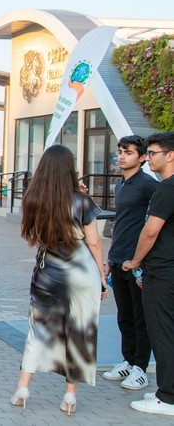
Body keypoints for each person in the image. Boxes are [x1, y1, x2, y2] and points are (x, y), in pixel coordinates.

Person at [11, 144, 105, 415]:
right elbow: (95, 243)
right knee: (80, 332)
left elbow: (32, 236)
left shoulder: (33, 198)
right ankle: (70, 396)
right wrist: (101, 277)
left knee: (38, 329)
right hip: (81, 271)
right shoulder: (82, 202)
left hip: (48, 270)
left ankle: (22, 388)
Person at [122, 131, 174, 417]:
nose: (148, 158)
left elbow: (151, 230)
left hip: (163, 272)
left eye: (153, 153)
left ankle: (167, 398)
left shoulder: (166, 188)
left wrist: (135, 261)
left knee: (162, 333)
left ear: (170, 155)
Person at [102, 135, 157, 391]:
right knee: (123, 316)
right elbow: (121, 223)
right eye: (120, 151)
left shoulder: (149, 185)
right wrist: (109, 257)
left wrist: (140, 261)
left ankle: (139, 368)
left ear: (143, 157)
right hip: (117, 259)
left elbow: (155, 225)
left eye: (128, 152)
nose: (121, 156)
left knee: (140, 317)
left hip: (137, 262)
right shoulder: (120, 185)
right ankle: (127, 360)